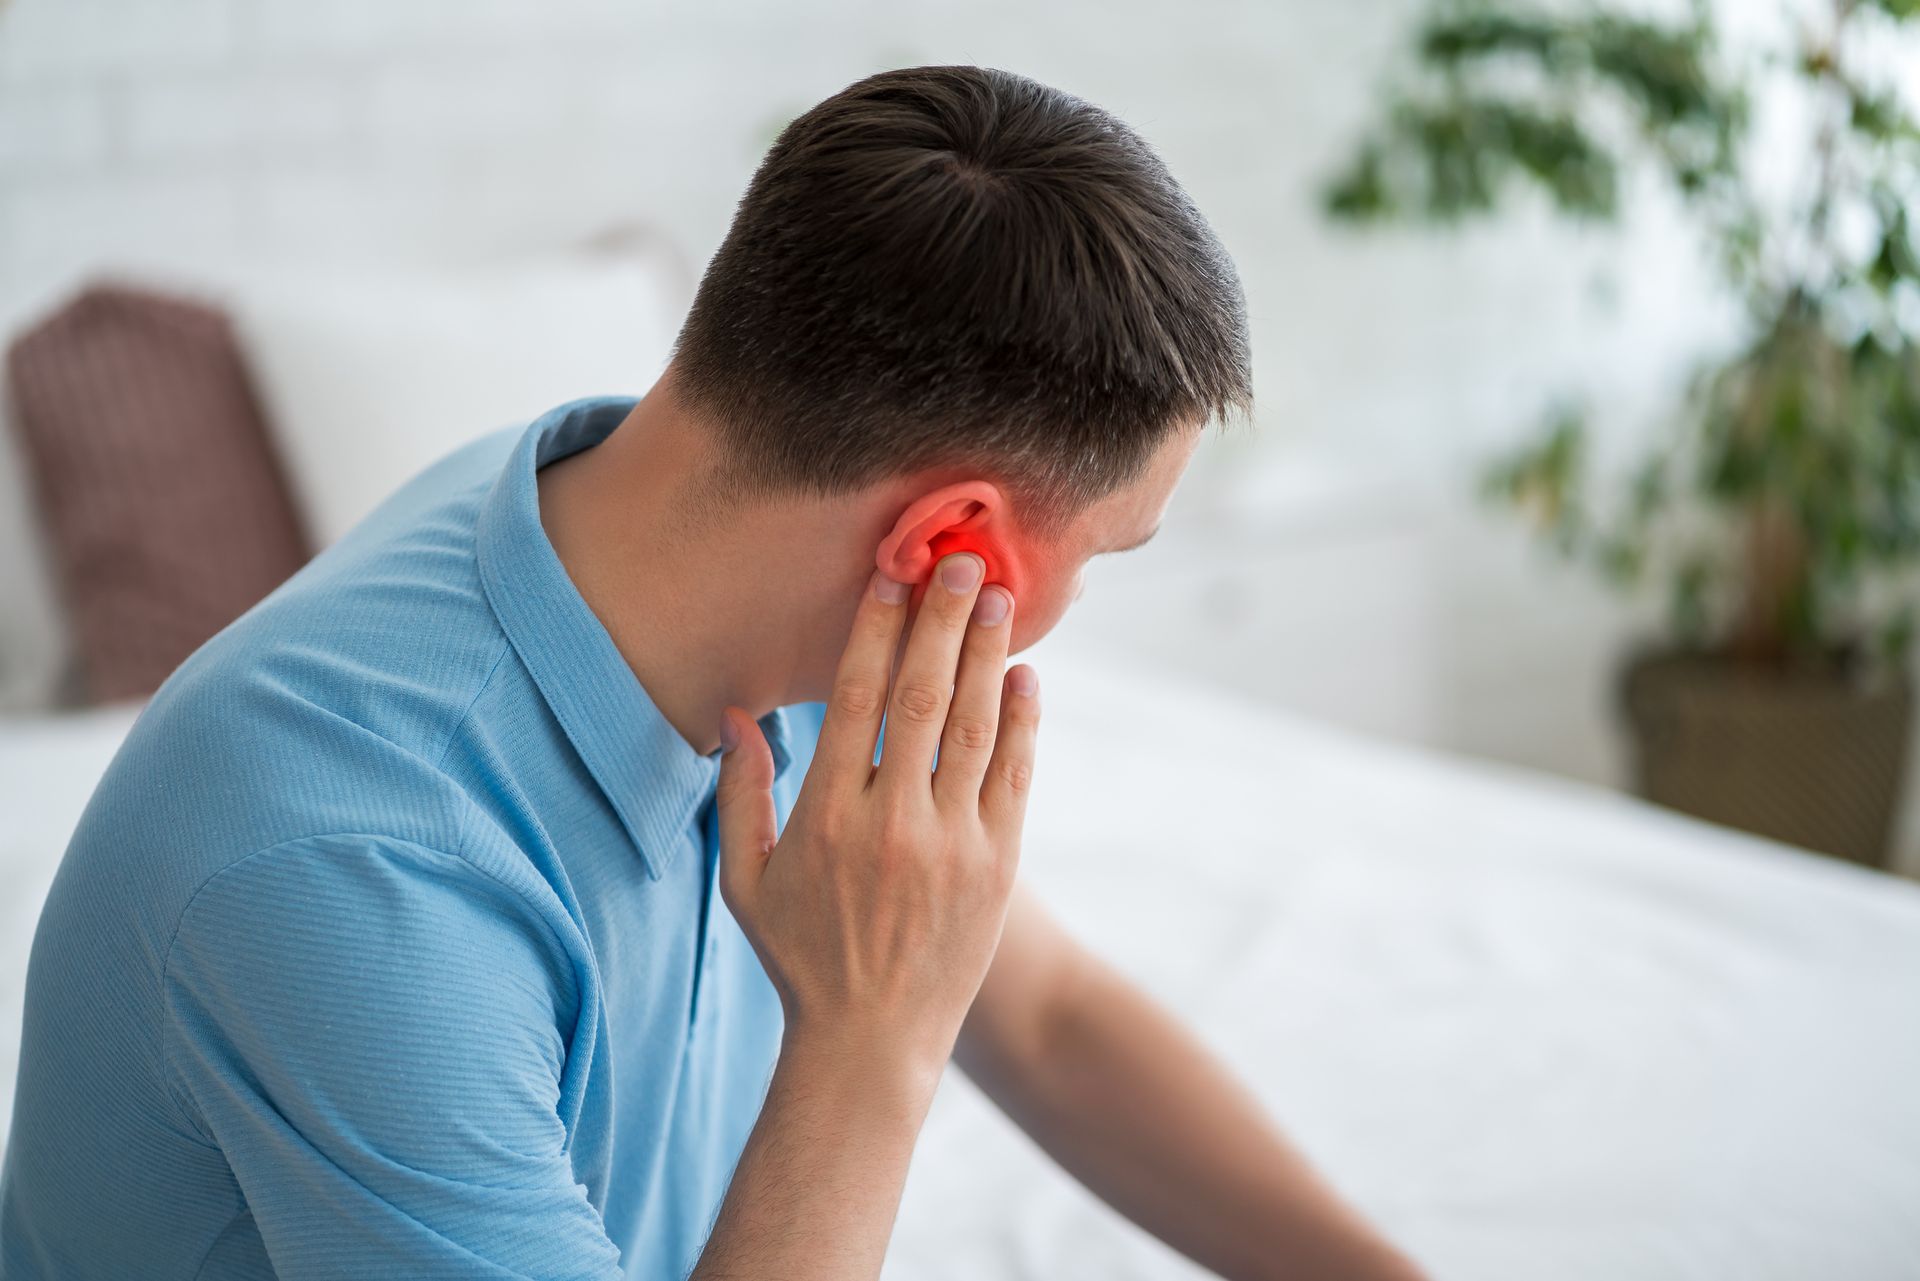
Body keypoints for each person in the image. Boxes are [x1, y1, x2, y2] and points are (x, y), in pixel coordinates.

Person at [0, 65, 1425, 1281]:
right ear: (952, 546)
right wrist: (869, 1043)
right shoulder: (344, 870)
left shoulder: (658, 531)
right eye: (1105, 553)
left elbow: (1046, 1018)